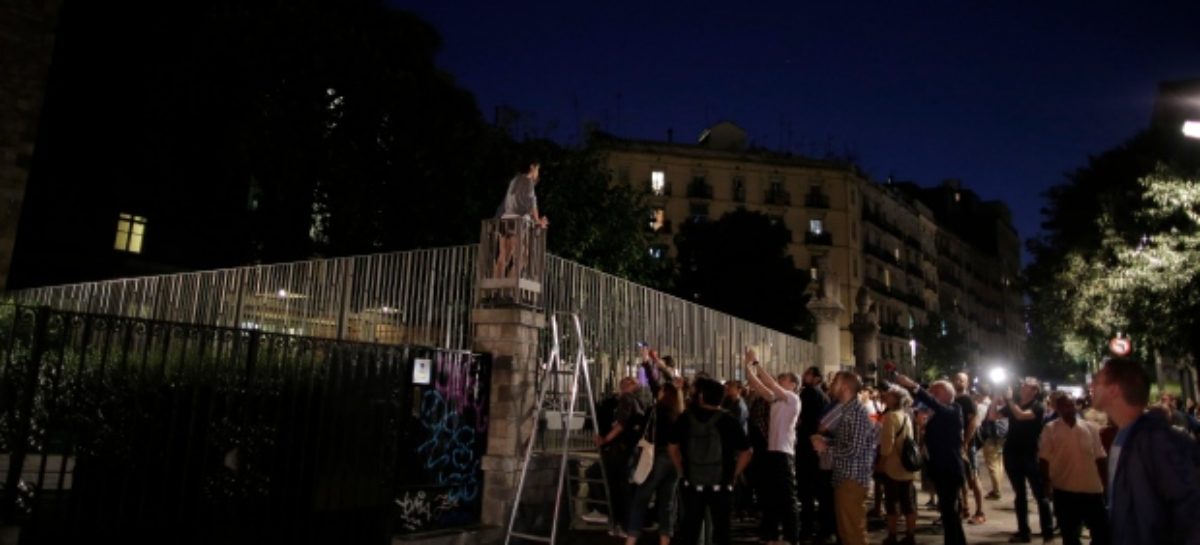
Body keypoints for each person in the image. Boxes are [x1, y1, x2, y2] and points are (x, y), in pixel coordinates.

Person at [1090, 357, 1200, 544]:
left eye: (1098, 380)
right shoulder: (1124, 438)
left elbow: (1191, 513)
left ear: (1113, 389)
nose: (1091, 385)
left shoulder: (1159, 441)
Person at [668, 377, 753, 545]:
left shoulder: (686, 418)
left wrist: (681, 470)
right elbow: (747, 451)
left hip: (692, 482)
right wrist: (733, 473)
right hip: (721, 483)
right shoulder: (728, 420)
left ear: (701, 396)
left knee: (690, 528)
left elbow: (672, 448)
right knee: (722, 529)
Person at [892, 374, 967, 545]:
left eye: (935, 393)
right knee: (949, 512)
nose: (931, 396)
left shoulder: (953, 410)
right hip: (941, 469)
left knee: (949, 511)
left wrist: (914, 385)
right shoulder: (938, 413)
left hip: (950, 469)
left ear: (946, 395)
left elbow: (935, 405)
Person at [743, 349, 801, 545]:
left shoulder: (793, 399)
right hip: (773, 452)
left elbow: (769, 383)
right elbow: (758, 386)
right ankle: (773, 536)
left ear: (793, 385)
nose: (779, 381)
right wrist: (748, 367)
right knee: (772, 496)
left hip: (784, 453)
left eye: (784, 379)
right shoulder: (776, 399)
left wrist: (757, 363)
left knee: (788, 497)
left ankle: (793, 538)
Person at [1037, 392, 1110, 545]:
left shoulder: (1090, 428)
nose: (1069, 409)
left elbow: (1100, 456)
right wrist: (1046, 483)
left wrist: (1106, 482)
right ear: (1058, 408)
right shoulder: (1051, 429)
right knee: (1069, 534)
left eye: (1071, 405)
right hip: (1064, 489)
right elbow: (1044, 458)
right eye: (1065, 406)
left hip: (1092, 489)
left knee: (1102, 532)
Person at [812, 371, 875, 545]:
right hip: (846, 478)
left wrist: (826, 446)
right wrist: (827, 442)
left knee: (852, 531)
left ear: (845, 387)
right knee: (847, 530)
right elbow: (848, 443)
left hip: (851, 479)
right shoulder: (849, 410)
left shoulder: (855, 412)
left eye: (835, 382)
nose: (831, 385)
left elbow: (853, 449)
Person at [625, 382, 686, 545]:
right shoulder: (680, 412)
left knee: (641, 498)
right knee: (667, 502)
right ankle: (664, 539)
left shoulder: (655, 410)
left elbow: (644, 430)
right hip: (675, 459)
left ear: (664, 392)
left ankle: (631, 540)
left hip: (656, 456)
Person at [998, 379, 1053, 543]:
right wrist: (996, 397)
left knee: (1040, 494)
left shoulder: (1038, 406)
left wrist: (1008, 400)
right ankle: (1024, 532)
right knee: (1019, 494)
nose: (1021, 387)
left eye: (1026, 385)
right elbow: (994, 415)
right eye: (1022, 384)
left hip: (1030, 453)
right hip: (1012, 452)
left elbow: (1021, 416)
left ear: (1034, 390)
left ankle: (1047, 531)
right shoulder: (1014, 403)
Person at [592, 376, 647, 532]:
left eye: (629, 381)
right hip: (631, 448)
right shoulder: (638, 401)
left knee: (617, 485)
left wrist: (605, 439)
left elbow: (621, 424)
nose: (624, 382)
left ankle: (619, 521)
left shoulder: (627, 399)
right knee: (625, 485)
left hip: (622, 448)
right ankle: (624, 523)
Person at [492, 161, 548, 278]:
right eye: (537, 170)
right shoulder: (528, 182)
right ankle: (510, 287)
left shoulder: (514, 180)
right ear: (532, 167)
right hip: (518, 223)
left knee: (503, 257)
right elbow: (532, 205)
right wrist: (538, 221)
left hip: (505, 221)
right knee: (523, 257)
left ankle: (495, 288)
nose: (537, 173)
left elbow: (510, 204)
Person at [878, 387, 918, 545]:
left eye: (889, 395)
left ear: (895, 399)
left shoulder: (890, 417)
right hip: (907, 466)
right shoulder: (906, 416)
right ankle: (910, 534)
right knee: (908, 502)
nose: (885, 396)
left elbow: (887, 445)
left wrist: (880, 464)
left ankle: (892, 535)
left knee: (892, 502)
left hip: (893, 466)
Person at [796, 366, 831, 541]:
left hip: (807, 447)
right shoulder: (824, 397)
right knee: (821, 491)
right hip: (818, 448)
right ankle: (824, 528)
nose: (804, 376)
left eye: (808, 374)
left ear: (817, 378)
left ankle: (807, 529)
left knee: (807, 492)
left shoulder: (808, 394)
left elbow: (800, 420)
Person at [952, 372, 986, 525]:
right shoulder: (953, 399)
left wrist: (965, 442)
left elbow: (973, 422)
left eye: (962, 380)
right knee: (960, 477)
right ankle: (965, 507)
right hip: (955, 444)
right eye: (957, 379)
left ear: (967, 383)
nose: (959, 381)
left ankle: (980, 511)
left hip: (967, 445)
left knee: (973, 477)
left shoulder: (967, 400)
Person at [979, 391, 1008, 501]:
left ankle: (996, 490)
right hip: (1003, 437)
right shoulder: (1007, 406)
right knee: (999, 463)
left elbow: (989, 419)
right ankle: (997, 488)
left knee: (992, 465)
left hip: (992, 437)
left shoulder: (994, 406)